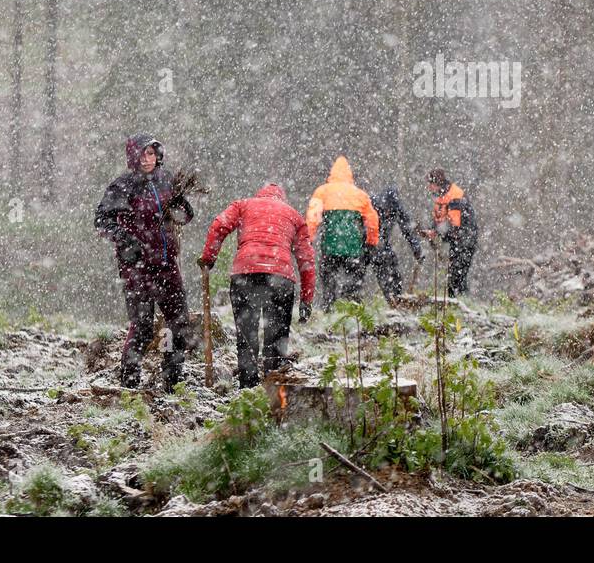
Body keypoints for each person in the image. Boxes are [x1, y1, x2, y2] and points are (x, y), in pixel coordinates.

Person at [94, 134, 194, 392]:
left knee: (178, 320)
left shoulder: (166, 180)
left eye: (151, 153)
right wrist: (126, 242)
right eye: (142, 154)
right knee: (143, 326)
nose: (148, 159)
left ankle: (172, 378)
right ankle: (129, 382)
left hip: (167, 263)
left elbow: (178, 212)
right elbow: (102, 221)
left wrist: (183, 207)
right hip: (137, 268)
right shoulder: (123, 186)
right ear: (133, 157)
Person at [198, 183, 316, 388]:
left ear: (259, 195)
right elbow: (306, 260)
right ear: (282, 199)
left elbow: (219, 225)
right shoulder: (294, 216)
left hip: (246, 273)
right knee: (276, 337)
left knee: (247, 335)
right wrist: (307, 299)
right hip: (280, 278)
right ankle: (274, 387)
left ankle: (248, 388)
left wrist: (209, 257)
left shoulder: (244, 205)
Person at [306, 156, 380, 311]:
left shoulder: (322, 191)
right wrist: (371, 243)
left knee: (328, 280)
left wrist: (309, 239)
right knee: (354, 281)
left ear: (331, 173)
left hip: (330, 246)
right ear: (350, 174)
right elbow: (372, 221)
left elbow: (312, 218)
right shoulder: (360, 194)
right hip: (354, 247)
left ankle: (328, 308)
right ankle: (353, 313)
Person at [422, 169, 478, 297]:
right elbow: (439, 220)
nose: (428, 187)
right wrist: (432, 230)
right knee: (454, 277)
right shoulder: (441, 196)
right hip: (457, 241)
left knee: (457, 276)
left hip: (465, 240)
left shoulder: (455, 196)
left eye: (429, 184)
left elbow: (454, 224)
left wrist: (436, 232)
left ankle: (463, 305)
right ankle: (457, 304)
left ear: (436, 183)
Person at [365, 186, 426, 300]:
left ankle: (395, 300)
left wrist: (417, 249)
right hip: (365, 242)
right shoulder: (371, 204)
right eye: (386, 209)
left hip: (382, 243)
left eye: (391, 210)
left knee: (392, 271)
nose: (388, 212)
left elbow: (408, 231)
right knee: (357, 272)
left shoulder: (397, 209)